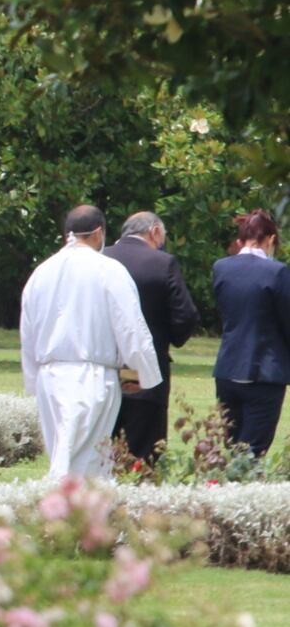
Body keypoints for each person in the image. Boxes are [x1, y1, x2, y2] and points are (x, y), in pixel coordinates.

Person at [20, 205, 161, 478]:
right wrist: (144, 374)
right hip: (92, 377)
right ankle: (66, 513)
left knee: (67, 453)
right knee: (83, 463)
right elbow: (130, 327)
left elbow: (28, 333)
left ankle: (70, 512)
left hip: (50, 377)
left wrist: (33, 378)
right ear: (98, 233)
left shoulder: (41, 272)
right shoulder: (108, 270)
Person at [102, 212, 199, 463]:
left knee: (101, 451)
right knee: (144, 452)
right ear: (155, 232)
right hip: (146, 369)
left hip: (102, 368)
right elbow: (185, 315)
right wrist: (170, 338)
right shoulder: (162, 263)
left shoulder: (100, 259)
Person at [211, 209, 290, 457]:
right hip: (265, 370)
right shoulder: (277, 272)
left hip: (228, 368)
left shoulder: (221, 268)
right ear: (271, 240)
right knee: (253, 452)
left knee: (233, 446)